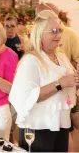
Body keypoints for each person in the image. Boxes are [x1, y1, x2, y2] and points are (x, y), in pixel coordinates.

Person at [9, 10, 79, 152]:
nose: (58, 36)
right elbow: (26, 96)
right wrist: (60, 83)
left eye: (59, 31)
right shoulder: (31, 60)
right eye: (53, 31)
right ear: (40, 33)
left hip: (60, 123)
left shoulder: (61, 57)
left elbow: (70, 86)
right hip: (37, 128)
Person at [35, 2, 79, 68]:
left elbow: (77, 61)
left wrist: (60, 66)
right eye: (38, 16)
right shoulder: (35, 33)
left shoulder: (71, 34)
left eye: (42, 16)